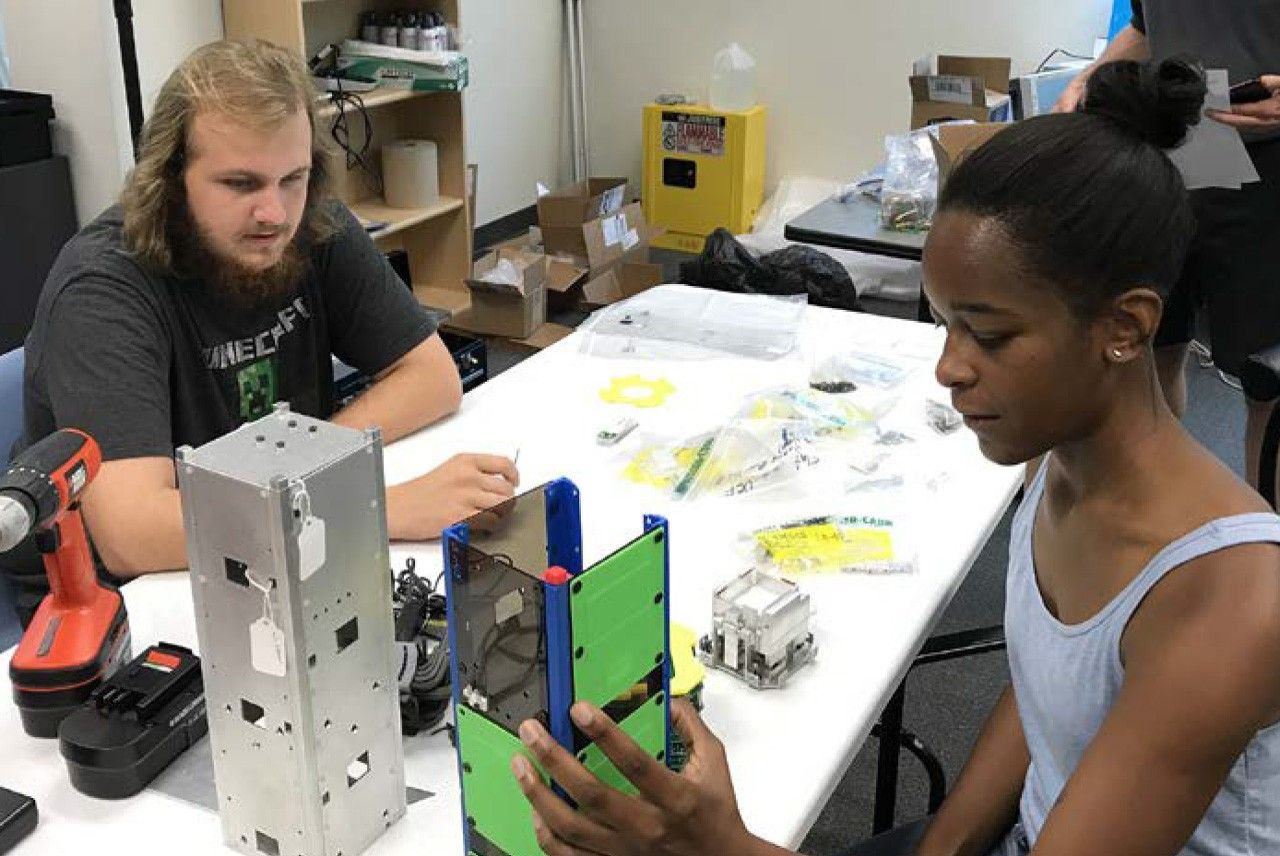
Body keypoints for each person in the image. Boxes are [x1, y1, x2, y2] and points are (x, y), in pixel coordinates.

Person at [509, 58, 1280, 856]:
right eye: (945, 323)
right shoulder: (1053, 466)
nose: (948, 367)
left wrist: (720, 848)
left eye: (989, 334)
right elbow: (1054, 696)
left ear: (1125, 328)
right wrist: (937, 848)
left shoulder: (1231, 600)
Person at [1, 39, 518, 625]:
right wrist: (371, 507)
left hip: (270, 546)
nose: (273, 212)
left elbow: (431, 376)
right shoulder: (103, 289)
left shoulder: (311, 224)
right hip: (119, 603)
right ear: (170, 179)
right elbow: (133, 534)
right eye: (240, 184)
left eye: (292, 178)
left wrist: (306, 476)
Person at [1055, 0, 1280, 492]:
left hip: (1267, 173)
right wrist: (1091, 77)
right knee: (1144, 355)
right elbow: (1147, 26)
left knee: (1268, 383)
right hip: (1167, 157)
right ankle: (1157, 528)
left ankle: (1269, 552)